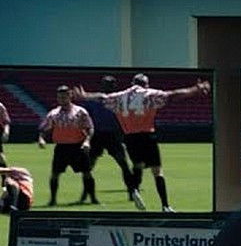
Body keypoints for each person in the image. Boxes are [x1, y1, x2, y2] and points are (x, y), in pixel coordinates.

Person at [73, 73, 210, 212]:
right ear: (146, 84)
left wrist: (85, 96)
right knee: (157, 171)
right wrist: (194, 90)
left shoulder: (120, 96)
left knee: (137, 165)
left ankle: (134, 190)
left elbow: (102, 97)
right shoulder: (149, 94)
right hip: (147, 135)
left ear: (133, 83)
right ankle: (165, 205)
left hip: (130, 137)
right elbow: (173, 95)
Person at [37, 85, 95, 206]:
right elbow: (44, 129)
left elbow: (89, 128)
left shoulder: (80, 112)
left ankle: (93, 198)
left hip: (78, 146)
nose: (62, 99)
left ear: (70, 96)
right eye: (60, 97)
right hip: (61, 147)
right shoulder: (53, 114)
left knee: (87, 172)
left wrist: (87, 141)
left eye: (64, 96)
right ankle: (52, 200)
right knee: (55, 174)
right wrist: (41, 139)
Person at [82, 76, 134, 203]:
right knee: (88, 167)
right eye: (106, 84)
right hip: (97, 135)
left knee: (124, 165)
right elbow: (86, 117)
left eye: (110, 84)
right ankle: (88, 195)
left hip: (113, 135)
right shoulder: (95, 100)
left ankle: (132, 193)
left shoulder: (118, 100)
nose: (108, 87)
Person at [0, 99, 9, 167]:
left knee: (0, 157)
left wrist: (6, 132)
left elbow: (6, 121)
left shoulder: (0, 106)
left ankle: (5, 173)